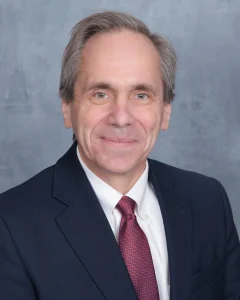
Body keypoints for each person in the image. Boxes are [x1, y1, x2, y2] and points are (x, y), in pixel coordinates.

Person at [0, 11, 239, 300]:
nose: (121, 118)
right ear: (67, 107)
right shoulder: (11, 225)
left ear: (165, 111)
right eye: (101, 94)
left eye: (141, 95)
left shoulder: (208, 201)